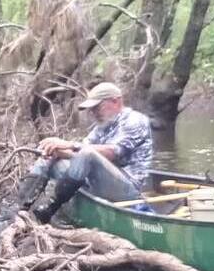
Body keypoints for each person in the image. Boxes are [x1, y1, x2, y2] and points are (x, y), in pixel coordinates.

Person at [13, 82, 153, 222]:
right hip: (100, 181)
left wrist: (68, 144)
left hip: (129, 188)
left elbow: (112, 152)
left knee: (86, 153)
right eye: (91, 109)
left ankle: (51, 207)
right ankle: (22, 209)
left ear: (115, 101)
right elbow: (82, 152)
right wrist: (58, 150)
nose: (92, 113)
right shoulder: (102, 126)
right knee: (51, 157)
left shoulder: (135, 120)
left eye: (97, 108)